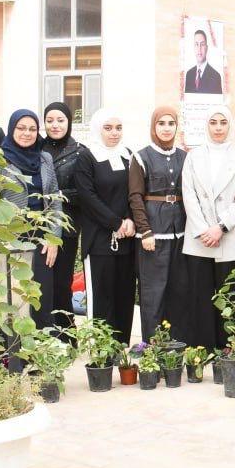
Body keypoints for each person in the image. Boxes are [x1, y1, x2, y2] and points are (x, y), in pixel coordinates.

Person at [182, 106, 235, 350]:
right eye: (213, 122)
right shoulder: (193, 157)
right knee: (200, 295)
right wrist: (204, 229)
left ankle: (227, 350)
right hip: (200, 238)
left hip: (230, 236)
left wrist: (221, 227)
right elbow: (188, 195)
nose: (218, 127)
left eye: (223, 122)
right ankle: (202, 349)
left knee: (229, 296)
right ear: (206, 125)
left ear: (229, 125)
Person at [0, 109, 63, 363]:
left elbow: (54, 199)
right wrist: (0, 239)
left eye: (32, 129)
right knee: (13, 301)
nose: (27, 133)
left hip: (42, 239)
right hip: (9, 239)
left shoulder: (44, 158)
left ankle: (40, 359)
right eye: (21, 128)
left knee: (40, 299)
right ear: (12, 129)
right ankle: (12, 360)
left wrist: (53, 237)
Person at [129, 106, 192, 343]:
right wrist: (145, 230)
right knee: (153, 292)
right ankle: (152, 346)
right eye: (161, 123)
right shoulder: (141, 157)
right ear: (153, 126)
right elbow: (135, 197)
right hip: (153, 233)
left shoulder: (185, 157)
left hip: (181, 232)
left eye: (171, 123)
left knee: (179, 291)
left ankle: (177, 344)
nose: (166, 128)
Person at [75, 109, 137, 344]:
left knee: (124, 297)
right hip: (99, 241)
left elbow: (135, 191)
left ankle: (120, 351)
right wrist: (116, 222)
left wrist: (129, 220)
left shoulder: (128, 155)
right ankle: (101, 354)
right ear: (97, 129)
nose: (114, 133)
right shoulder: (87, 157)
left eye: (118, 128)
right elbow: (87, 197)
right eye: (108, 128)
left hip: (127, 239)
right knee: (102, 299)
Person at [42, 102, 88, 328]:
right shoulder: (36, 148)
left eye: (60, 120)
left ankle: (66, 334)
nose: (55, 125)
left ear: (69, 122)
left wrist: (59, 195)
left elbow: (86, 192)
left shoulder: (80, 152)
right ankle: (43, 333)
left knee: (62, 283)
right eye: (49, 121)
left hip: (67, 227)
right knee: (41, 284)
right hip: (38, 227)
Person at [184, 29, 223, 95]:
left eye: (202, 44)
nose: (199, 49)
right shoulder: (189, 74)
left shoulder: (216, 76)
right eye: (196, 44)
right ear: (194, 48)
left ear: (206, 48)